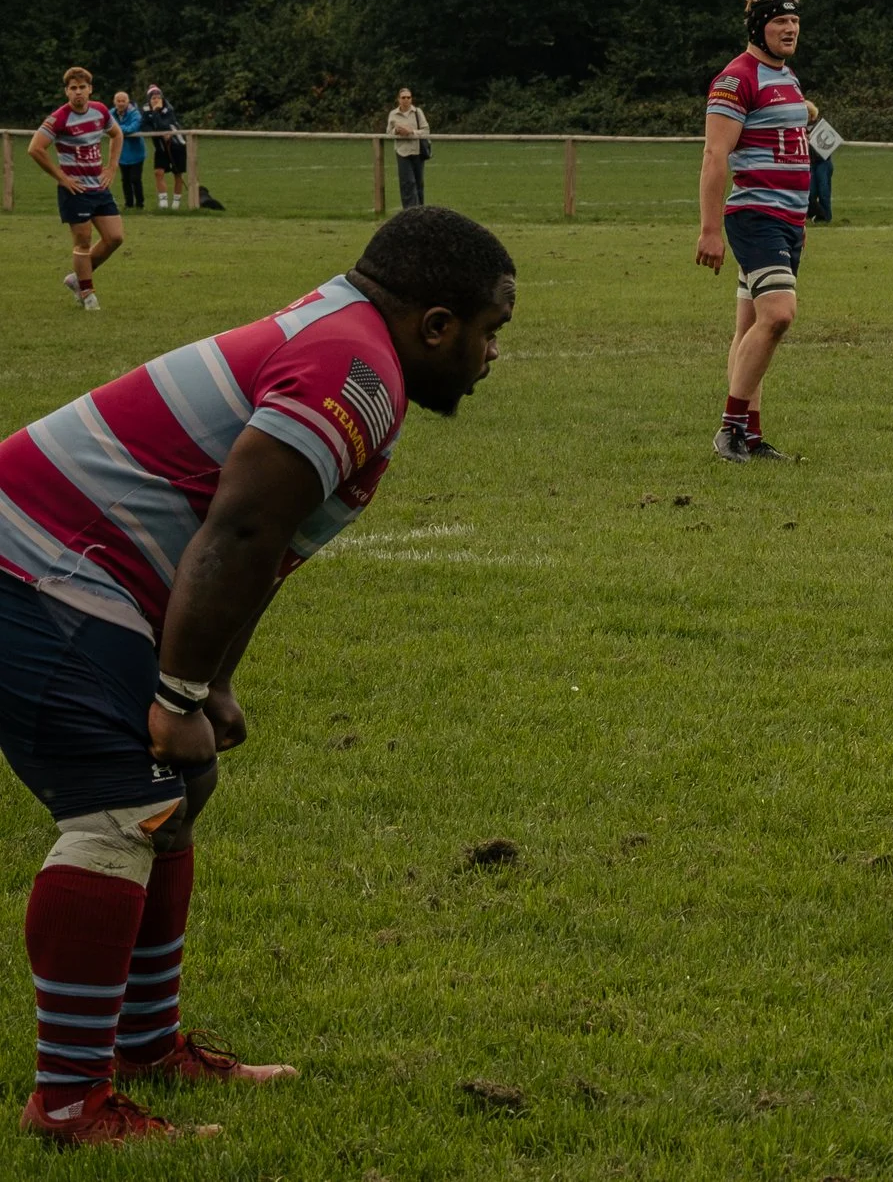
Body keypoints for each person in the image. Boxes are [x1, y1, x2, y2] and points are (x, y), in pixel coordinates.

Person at [0, 207, 515, 1148]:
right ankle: (68, 1106)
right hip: (33, 563)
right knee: (124, 805)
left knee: (182, 788)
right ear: (436, 324)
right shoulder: (354, 372)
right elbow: (236, 532)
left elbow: (261, 542)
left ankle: (146, 1046)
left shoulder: (354, 346)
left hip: (70, 564)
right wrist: (175, 696)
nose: (490, 355)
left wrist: (212, 682)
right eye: (489, 332)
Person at [695, 0, 811, 462]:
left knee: (749, 330)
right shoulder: (734, 79)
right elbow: (714, 154)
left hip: (790, 220)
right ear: (757, 27)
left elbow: (785, 125)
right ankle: (730, 428)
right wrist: (709, 229)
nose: (790, 30)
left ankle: (751, 437)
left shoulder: (787, 78)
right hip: (756, 214)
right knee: (779, 315)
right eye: (779, 22)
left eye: (795, 23)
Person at [29, 68, 124, 312]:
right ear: (67, 91)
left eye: (82, 87)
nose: (78, 92)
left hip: (99, 187)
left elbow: (117, 134)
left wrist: (111, 167)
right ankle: (88, 294)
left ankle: (77, 278)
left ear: (90, 89)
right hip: (75, 190)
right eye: (73, 88)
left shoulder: (100, 111)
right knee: (83, 242)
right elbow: (35, 148)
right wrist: (61, 178)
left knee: (115, 237)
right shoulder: (60, 118)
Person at [138, 88, 188, 211]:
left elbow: (164, 125)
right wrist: (155, 131)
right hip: (160, 146)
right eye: (153, 98)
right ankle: (163, 202)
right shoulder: (145, 109)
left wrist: (155, 112)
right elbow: (144, 126)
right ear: (149, 99)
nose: (156, 100)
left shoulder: (168, 109)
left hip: (176, 144)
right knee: (158, 172)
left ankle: (176, 204)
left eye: (158, 98)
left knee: (177, 174)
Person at [386, 89, 430, 209]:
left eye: (408, 97)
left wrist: (411, 132)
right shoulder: (393, 114)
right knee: (407, 182)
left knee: (418, 183)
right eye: (403, 97)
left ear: (411, 99)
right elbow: (388, 133)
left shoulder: (417, 112)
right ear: (398, 99)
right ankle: (409, 211)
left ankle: (421, 210)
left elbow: (426, 131)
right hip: (402, 151)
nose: (406, 100)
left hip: (417, 151)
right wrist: (397, 131)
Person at [805, 101, 841, 224]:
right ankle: (813, 214)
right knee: (812, 192)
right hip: (811, 164)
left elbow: (830, 144)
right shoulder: (799, 128)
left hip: (823, 163)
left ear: (810, 114)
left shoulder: (820, 126)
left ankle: (825, 217)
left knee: (824, 191)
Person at [110, 93, 145, 211]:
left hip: (136, 153)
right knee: (125, 180)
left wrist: (117, 129)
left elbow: (133, 128)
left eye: (123, 101)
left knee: (135, 179)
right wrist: (120, 129)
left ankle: (140, 204)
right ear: (114, 102)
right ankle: (129, 204)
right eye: (118, 101)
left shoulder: (135, 113)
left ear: (128, 101)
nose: (121, 103)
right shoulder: (111, 113)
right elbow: (106, 126)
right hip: (121, 153)